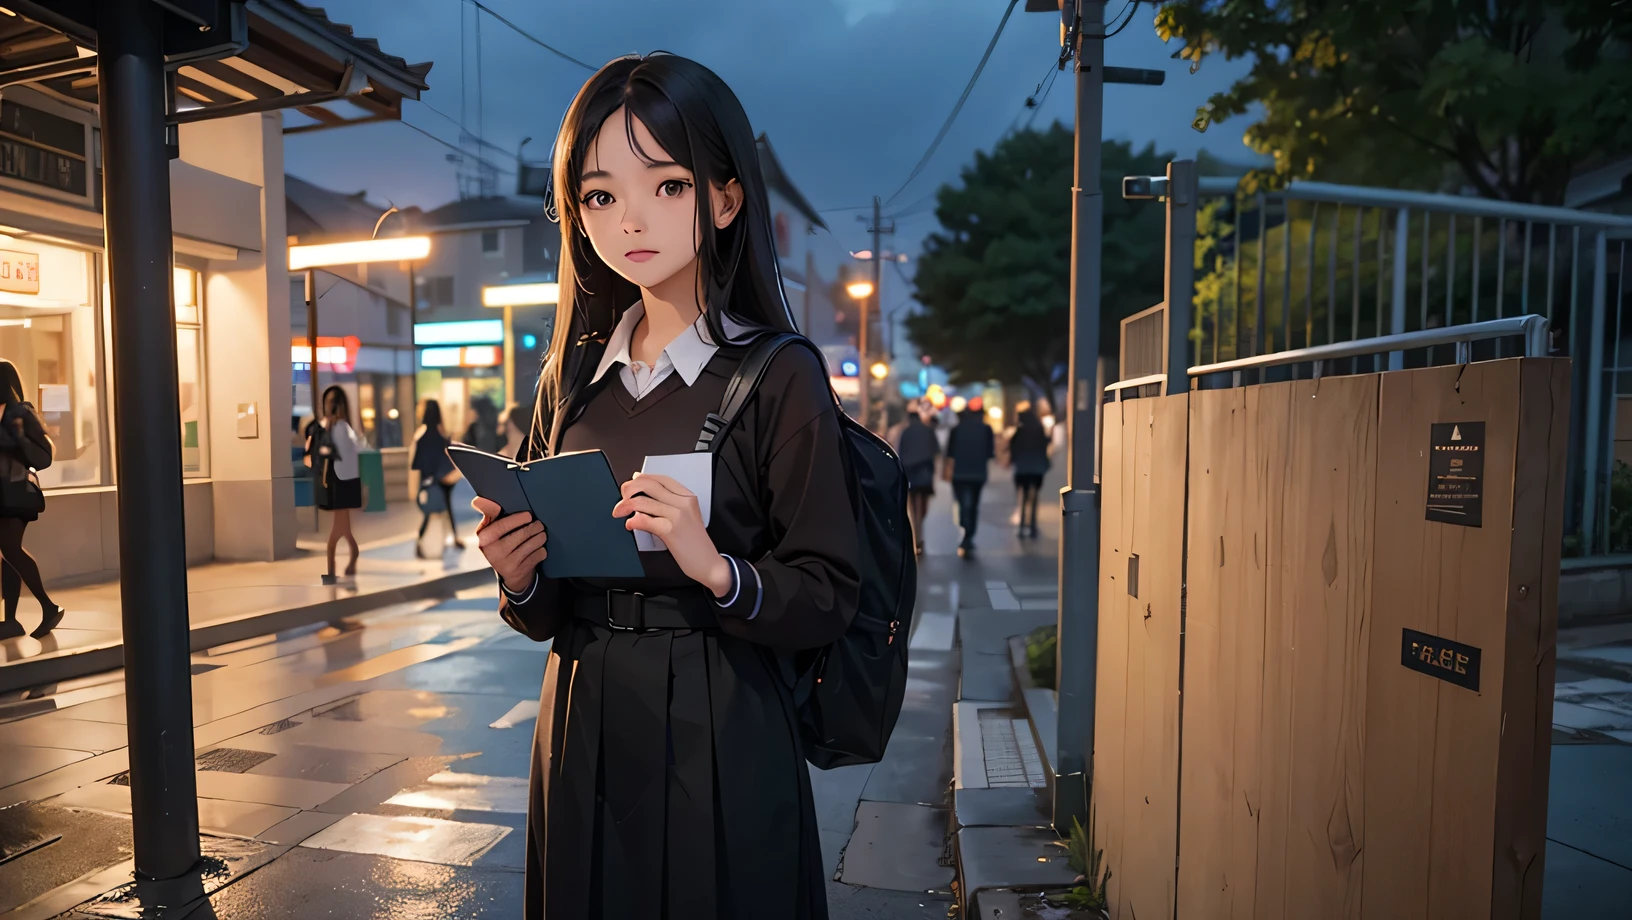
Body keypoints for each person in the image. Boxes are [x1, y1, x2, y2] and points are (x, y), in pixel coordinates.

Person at [473, 54, 858, 920]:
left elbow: (830, 592)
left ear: (724, 200)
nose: (630, 220)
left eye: (668, 185)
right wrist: (519, 572)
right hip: (581, 717)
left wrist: (717, 568)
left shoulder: (778, 373)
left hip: (723, 719)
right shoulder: (570, 382)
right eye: (601, 196)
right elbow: (543, 615)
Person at [0, 361, 62, 640]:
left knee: (11, 550)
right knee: (7, 554)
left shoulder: (20, 413)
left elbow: (43, 454)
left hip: (16, 493)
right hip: (4, 493)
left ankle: (49, 607)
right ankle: (11, 620)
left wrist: (17, 439)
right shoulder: (4, 414)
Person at [307, 385, 361, 582]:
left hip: (341, 481)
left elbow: (334, 452)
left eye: (330, 403)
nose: (328, 407)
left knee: (337, 530)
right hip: (344, 480)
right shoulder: (342, 427)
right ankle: (353, 555)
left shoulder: (339, 428)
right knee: (343, 528)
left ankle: (331, 572)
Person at [411, 399, 462, 558]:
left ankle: (421, 542)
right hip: (443, 480)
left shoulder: (421, 436)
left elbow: (417, 464)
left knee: (429, 514)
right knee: (447, 508)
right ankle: (453, 539)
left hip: (429, 481)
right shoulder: (442, 436)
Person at [946, 396, 994, 557]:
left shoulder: (956, 430)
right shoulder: (986, 429)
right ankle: (969, 534)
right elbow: (990, 453)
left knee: (963, 504)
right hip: (978, 473)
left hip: (959, 474)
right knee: (973, 505)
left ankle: (965, 529)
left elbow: (949, 454)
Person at [894, 399, 940, 554]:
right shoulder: (928, 430)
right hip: (925, 474)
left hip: (909, 474)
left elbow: (899, 453)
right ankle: (920, 533)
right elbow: (935, 452)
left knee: (912, 506)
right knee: (923, 506)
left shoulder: (905, 432)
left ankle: (916, 536)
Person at [1007, 403, 1051, 539]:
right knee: (1035, 497)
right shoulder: (1039, 429)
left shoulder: (1020, 431)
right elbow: (1045, 445)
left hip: (1022, 469)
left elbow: (1013, 448)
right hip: (1037, 469)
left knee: (1023, 497)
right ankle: (1032, 525)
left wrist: (1012, 460)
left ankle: (1021, 526)